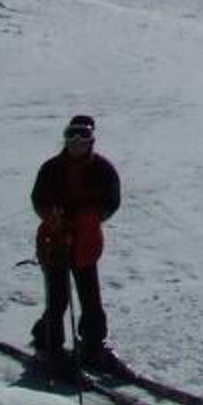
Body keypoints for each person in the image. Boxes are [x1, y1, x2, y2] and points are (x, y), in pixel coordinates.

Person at [30, 114, 122, 368]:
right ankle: (49, 345)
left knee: (90, 297)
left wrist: (88, 217)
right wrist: (53, 216)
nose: (76, 140)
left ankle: (93, 345)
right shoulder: (51, 168)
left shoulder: (103, 169)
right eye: (71, 134)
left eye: (82, 135)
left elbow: (112, 201)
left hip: (86, 243)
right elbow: (39, 200)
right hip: (54, 242)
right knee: (58, 298)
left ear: (91, 139)